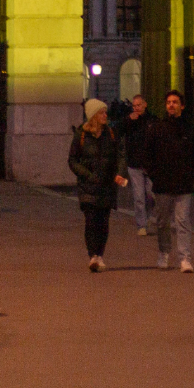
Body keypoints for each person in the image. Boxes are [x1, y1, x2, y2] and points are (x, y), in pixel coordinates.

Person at [140, 89, 194, 273]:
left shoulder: (191, 129)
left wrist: (192, 175)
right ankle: (164, 252)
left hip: (184, 183)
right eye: (168, 102)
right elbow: (148, 154)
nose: (171, 105)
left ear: (182, 105)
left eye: (175, 102)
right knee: (163, 221)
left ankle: (185, 258)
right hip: (162, 183)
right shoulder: (157, 128)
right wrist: (154, 175)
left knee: (182, 221)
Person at [67, 98, 128, 272]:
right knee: (91, 220)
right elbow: (72, 160)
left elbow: (121, 155)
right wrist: (87, 175)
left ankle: (100, 254)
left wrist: (120, 173)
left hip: (107, 185)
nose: (105, 115)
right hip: (88, 185)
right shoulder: (82, 135)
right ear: (93, 115)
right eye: (101, 112)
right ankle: (93, 255)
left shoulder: (111, 133)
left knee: (103, 221)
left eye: (105, 112)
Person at [115, 93, 156, 235]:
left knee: (151, 194)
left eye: (139, 105)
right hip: (134, 163)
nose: (136, 108)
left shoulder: (152, 120)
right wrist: (127, 120)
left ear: (145, 105)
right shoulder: (129, 120)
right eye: (134, 105)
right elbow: (117, 131)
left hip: (150, 164)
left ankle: (148, 217)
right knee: (139, 196)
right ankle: (141, 225)